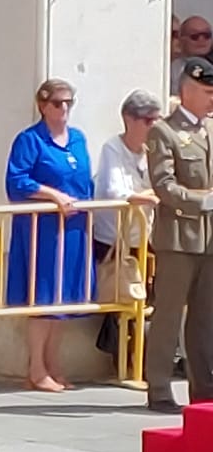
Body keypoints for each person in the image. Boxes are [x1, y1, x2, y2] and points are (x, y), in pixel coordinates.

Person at [4, 78, 94, 394]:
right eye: (57, 103)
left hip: (74, 229)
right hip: (42, 231)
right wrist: (52, 195)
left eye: (69, 102)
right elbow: (17, 181)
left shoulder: (78, 138)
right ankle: (36, 368)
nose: (64, 108)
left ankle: (55, 365)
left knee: (62, 299)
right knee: (42, 297)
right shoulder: (30, 140)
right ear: (43, 105)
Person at [145, 59, 213, 414]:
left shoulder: (210, 129)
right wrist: (203, 201)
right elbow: (164, 185)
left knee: (205, 318)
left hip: (209, 240)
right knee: (169, 316)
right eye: (206, 92)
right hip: (177, 238)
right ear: (187, 91)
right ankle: (158, 388)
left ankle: (204, 389)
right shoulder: (164, 132)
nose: (212, 99)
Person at [93, 90, 160, 362]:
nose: (153, 126)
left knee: (147, 298)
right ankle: (126, 359)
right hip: (116, 239)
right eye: (147, 120)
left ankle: (138, 358)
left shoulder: (153, 151)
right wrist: (149, 196)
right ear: (128, 119)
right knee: (125, 297)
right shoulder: (113, 148)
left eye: (156, 120)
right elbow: (116, 191)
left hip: (146, 237)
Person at [170, 16, 213, 95]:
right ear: (181, 39)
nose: (201, 40)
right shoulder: (172, 69)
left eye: (206, 35)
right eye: (195, 36)